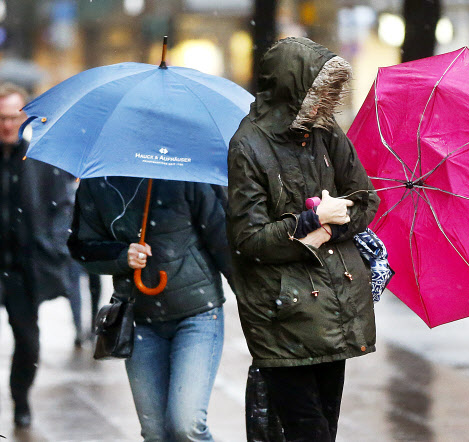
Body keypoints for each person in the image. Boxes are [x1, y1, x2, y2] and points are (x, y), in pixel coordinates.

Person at [227, 37, 380, 441]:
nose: (325, 101)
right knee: (306, 430)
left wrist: (328, 225)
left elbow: (365, 200)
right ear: (291, 88)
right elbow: (249, 239)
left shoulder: (327, 133)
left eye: (331, 91)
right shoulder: (248, 145)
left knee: (323, 430)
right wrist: (309, 220)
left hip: (334, 307)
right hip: (281, 313)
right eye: (318, 90)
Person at [67, 177, 233, 441]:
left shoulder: (184, 173)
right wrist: (122, 256)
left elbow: (223, 240)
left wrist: (252, 304)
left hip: (198, 314)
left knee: (186, 425)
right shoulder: (97, 183)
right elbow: (82, 248)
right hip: (140, 319)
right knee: (156, 433)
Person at [0, 82, 78, 428]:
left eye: (13, 118)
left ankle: (20, 400)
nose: (7, 125)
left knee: (28, 342)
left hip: (22, 268)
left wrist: (52, 243)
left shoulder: (40, 159)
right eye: (1, 118)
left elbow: (62, 206)